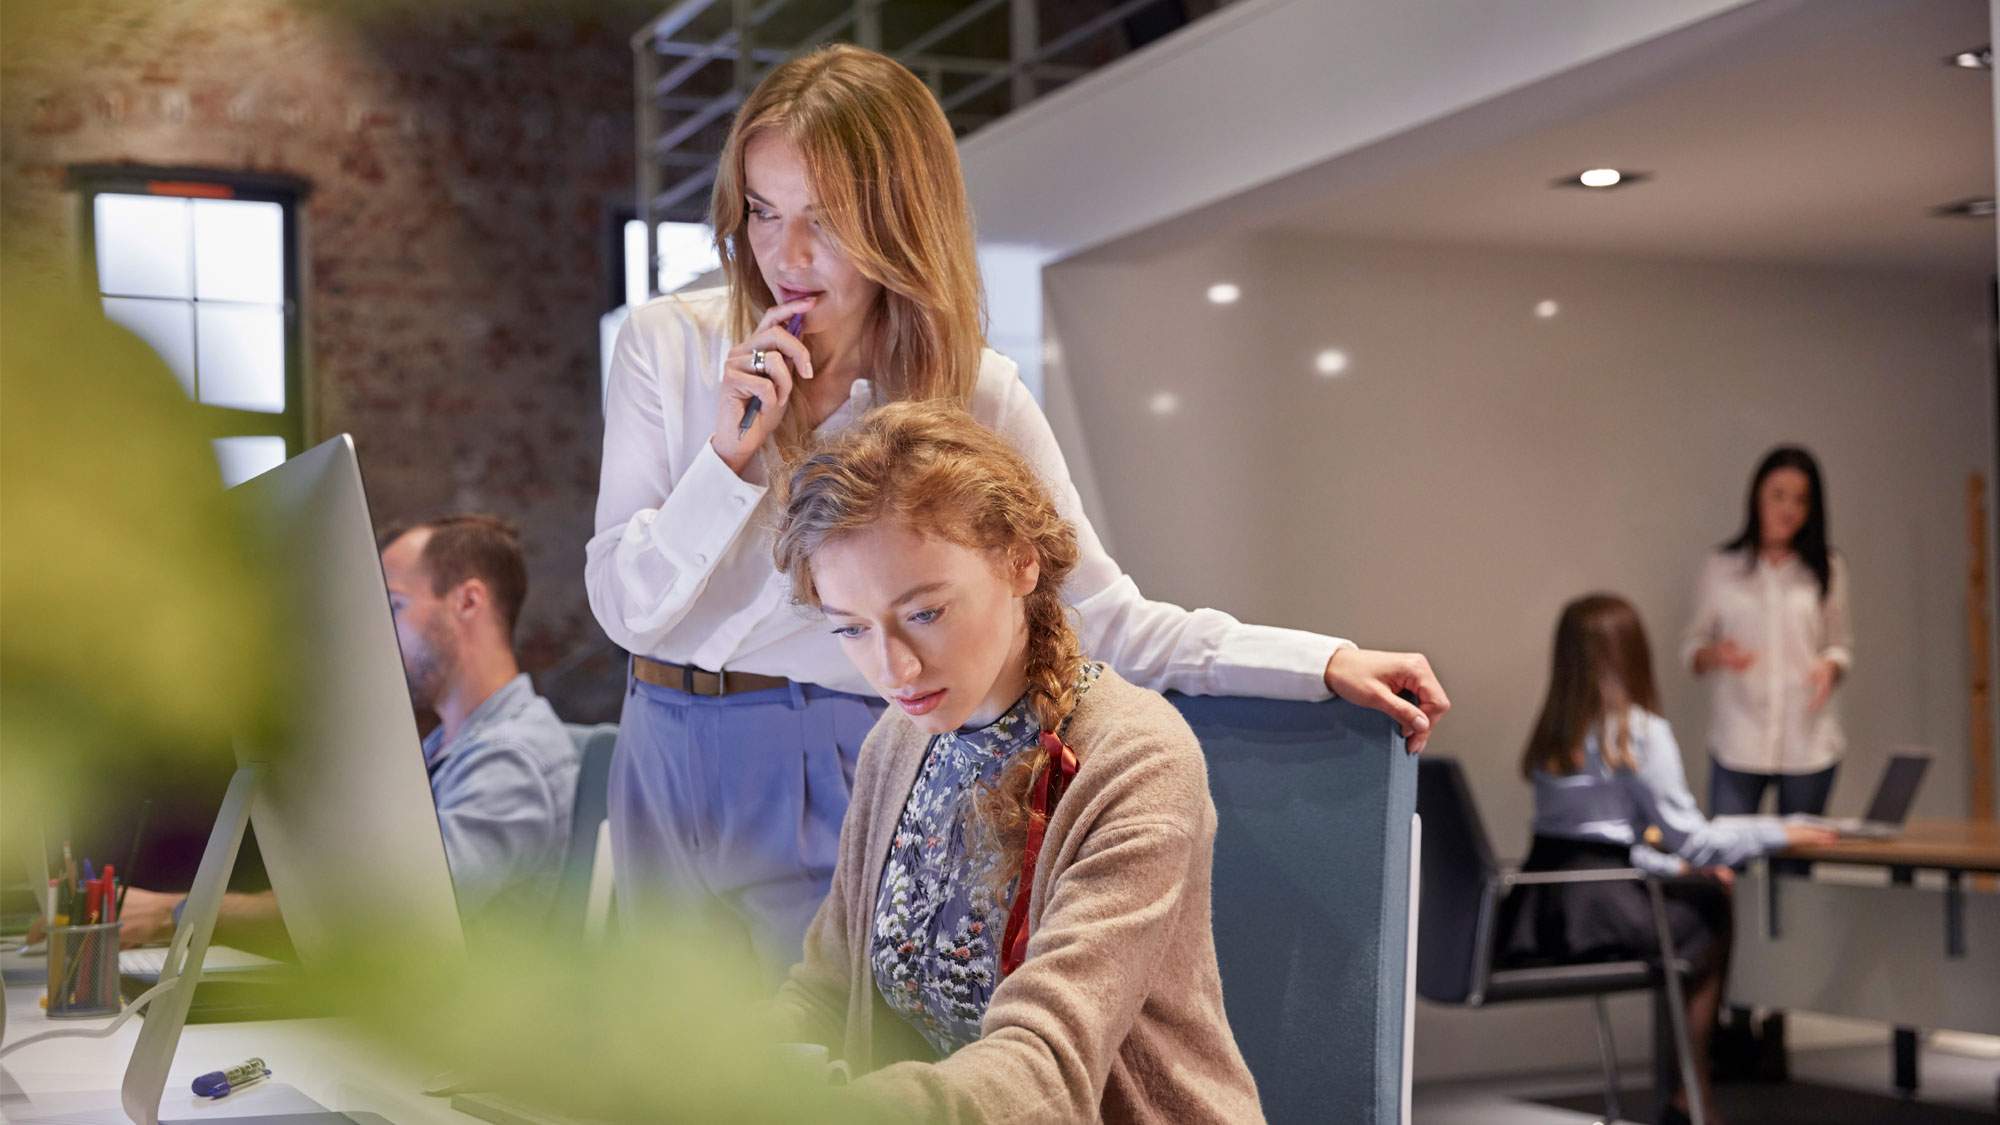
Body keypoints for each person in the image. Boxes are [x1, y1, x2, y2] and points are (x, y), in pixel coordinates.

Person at [586, 42, 1449, 972]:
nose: (784, 256)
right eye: (762, 211)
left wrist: (1318, 660)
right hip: (659, 737)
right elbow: (625, 608)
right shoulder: (666, 345)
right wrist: (726, 462)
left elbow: (1103, 617)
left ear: (897, 221)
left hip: (842, 751)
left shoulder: (972, 392)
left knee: (805, 1077)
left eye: (825, 221)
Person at [768, 402, 1262, 1121]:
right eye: (851, 628)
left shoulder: (1135, 758)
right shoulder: (897, 743)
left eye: (926, 613)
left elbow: (1047, 1063)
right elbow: (822, 989)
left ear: (1021, 562)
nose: (893, 666)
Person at [115, 515, 580, 943]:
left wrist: (175, 912)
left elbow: (397, 911)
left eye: (394, 605)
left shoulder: (512, 756)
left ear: (468, 601)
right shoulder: (450, 743)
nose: (379, 630)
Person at [1498, 594, 1835, 1125]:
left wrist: (1673, 870)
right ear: (1632, 653)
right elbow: (1692, 839)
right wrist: (1782, 830)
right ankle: (1691, 1091)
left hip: (1543, 913)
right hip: (1608, 909)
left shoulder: (1551, 735)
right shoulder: (1639, 733)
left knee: (1693, 892)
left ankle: (1686, 1090)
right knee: (1710, 909)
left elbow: (1600, 846)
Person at [1681, 445, 1852, 827]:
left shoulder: (1827, 568)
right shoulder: (1722, 567)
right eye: (1778, 496)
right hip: (1739, 736)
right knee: (1728, 858)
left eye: (1800, 500)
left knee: (1796, 872)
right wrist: (1715, 655)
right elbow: (1691, 647)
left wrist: (1830, 666)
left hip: (1807, 738)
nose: (1788, 509)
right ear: (1758, 497)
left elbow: (1839, 645)